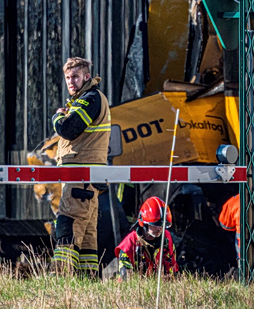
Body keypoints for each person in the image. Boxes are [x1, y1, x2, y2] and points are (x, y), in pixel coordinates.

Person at [51, 57, 110, 276]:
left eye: (75, 76)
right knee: (86, 235)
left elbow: (68, 128)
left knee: (67, 225)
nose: (70, 81)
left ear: (87, 76)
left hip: (80, 174)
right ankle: (87, 280)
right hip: (87, 177)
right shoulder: (86, 99)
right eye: (67, 77)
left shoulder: (90, 98)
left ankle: (61, 278)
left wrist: (57, 118)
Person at [114, 196, 178, 279]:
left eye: (162, 225)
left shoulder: (167, 238)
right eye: (155, 225)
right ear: (143, 223)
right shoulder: (129, 244)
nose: (159, 229)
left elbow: (172, 270)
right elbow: (125, 279)